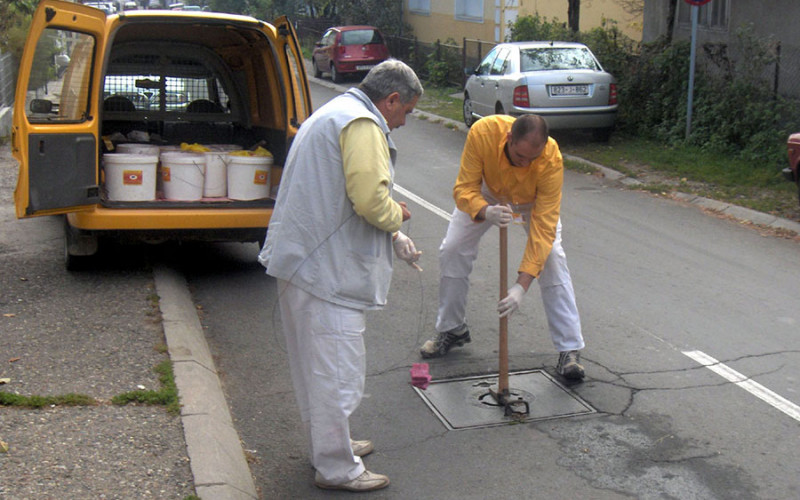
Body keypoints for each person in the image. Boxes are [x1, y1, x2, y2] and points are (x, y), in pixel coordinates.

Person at [257, 59, 423, 492]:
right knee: (337, 373)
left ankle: (329, 446)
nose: (404, 121)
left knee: (316, 370)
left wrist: (391, 232)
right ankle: (337, 467)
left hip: (304, 264)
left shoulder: (333, 113)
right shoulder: (362, 123)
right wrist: (397, 218)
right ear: (390, 100)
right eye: (406, 111)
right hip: (327, 272)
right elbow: (370, 199)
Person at [419, 114, 586, 380]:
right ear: (509, 138)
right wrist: (485, 211)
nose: (526, 164)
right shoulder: (483, 133)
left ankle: (570, 349)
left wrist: (521, 285)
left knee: (552, 255)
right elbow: (464, 189)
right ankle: (452, 329)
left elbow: (544, 228)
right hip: (487, 195)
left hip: (531, 202)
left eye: (533, 159)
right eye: (521, 157)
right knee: (452, 249)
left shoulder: (551, 157)